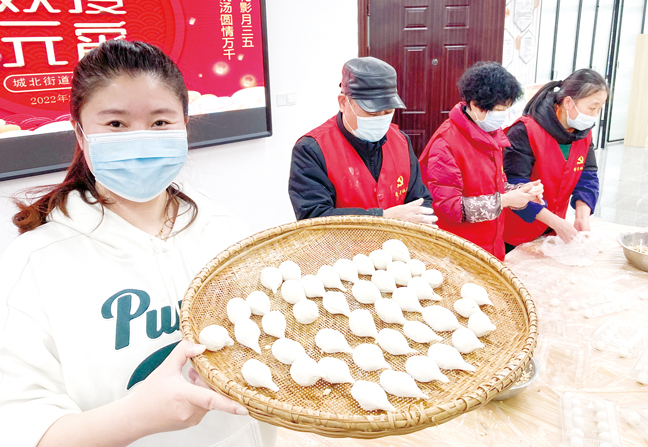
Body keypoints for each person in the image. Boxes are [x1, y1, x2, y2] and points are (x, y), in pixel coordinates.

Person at [0, 40, 276, 447]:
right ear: (80, 133)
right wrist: (138, 418)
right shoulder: (35, 264)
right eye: (116, 124)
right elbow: (22, 429)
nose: (141, 139)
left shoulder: (221, 226)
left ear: (184, 125)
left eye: (160, 122)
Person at [288, 57, 436, 226]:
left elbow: (420, 200)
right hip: (342, 243)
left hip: (397, 240)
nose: (381, 119)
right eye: (372, 113)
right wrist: (382, 218)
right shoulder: (312, 149)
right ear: (343, 103)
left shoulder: (401, 141)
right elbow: (313, 217)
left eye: (388, 112)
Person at [418, 62, 543, 261]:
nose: (504, 115)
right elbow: (449, 208)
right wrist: (505, 201)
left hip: (490, 246)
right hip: (458, 252)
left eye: (507, 108)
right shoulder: (446, 144)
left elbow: (495, 187)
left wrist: (520, 192)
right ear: (475, 104)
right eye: (500, 109)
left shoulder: (491, 135)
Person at [503, 69, 609, 248]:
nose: (595, 115)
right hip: (516, 231)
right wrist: (556, 223)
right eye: (592, 108)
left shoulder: (583, 134)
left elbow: (587, 176)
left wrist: (582, 216)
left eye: (599, 109)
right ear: (568, 102)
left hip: (551, 230)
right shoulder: (525, 131)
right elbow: (515, 185)